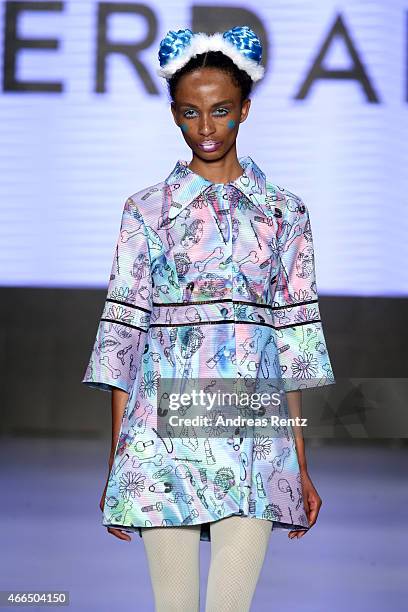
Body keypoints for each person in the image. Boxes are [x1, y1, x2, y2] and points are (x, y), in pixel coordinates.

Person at [81, 25, 335, 612]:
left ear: (244, 108)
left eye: (220, 110)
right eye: (190, 113)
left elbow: (293, 344)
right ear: (174, 114)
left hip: (255, 439)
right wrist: (120, 461)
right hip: (162, 439)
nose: (206, 127)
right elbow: (124, 334)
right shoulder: (144, 211)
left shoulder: (284, 213)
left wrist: (299, 463)